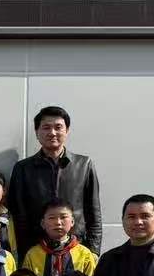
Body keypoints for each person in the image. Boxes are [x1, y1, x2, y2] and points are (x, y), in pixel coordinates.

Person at [8, 105, 102, 255]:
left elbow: (93, 213)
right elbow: (18, 215)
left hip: (77, 249)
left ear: (67, 130)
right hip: (37, 251)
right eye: (46, 127)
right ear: (37, 132)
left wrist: (93, 251)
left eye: (58, 127)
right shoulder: (23, 168)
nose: (52, 132)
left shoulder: (84, 165)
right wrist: (25, 253)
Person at [22, 198, 98, 276]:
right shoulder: (33, 254)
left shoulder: (84, 254)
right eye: (52, 218)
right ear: (43, 223)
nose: (58, 222)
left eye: (63, 217)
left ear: (72, 222)